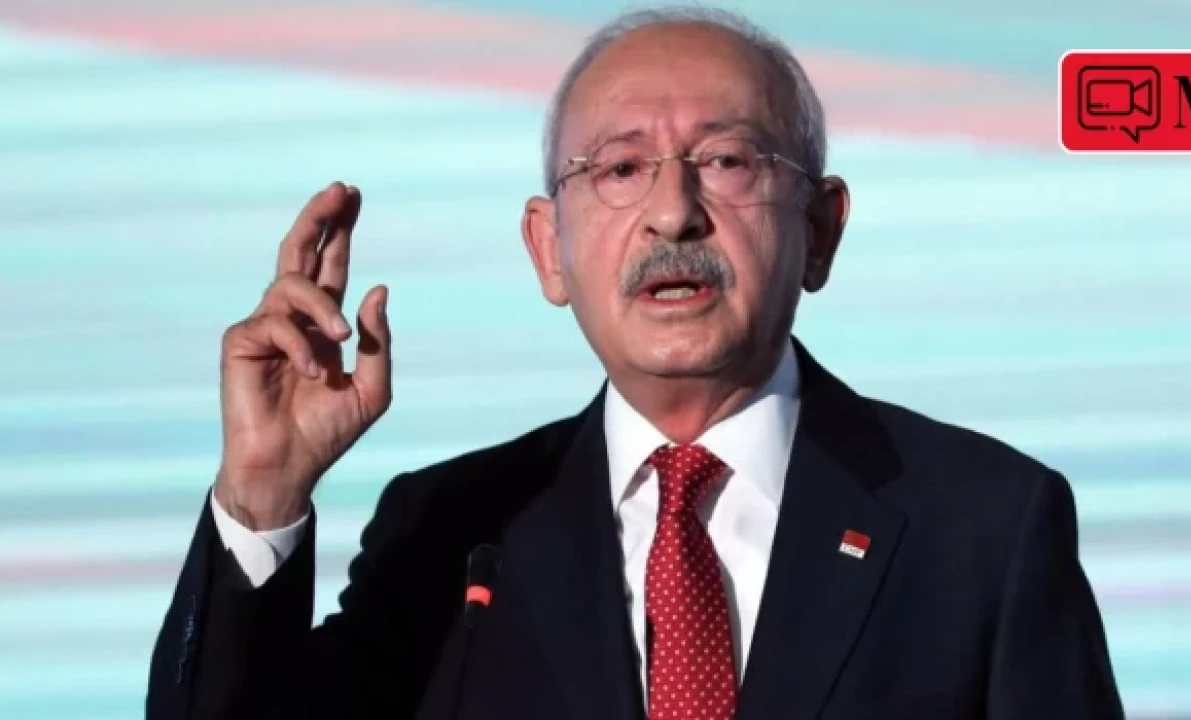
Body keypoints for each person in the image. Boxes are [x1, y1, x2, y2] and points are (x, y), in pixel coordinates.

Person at [146, 7, 1124, 720]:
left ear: (820, 230)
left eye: (726, 161)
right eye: (618, 169)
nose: (672, 213)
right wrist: (261, 497)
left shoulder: (984, 526)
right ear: (549, 251)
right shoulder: (449, 533)